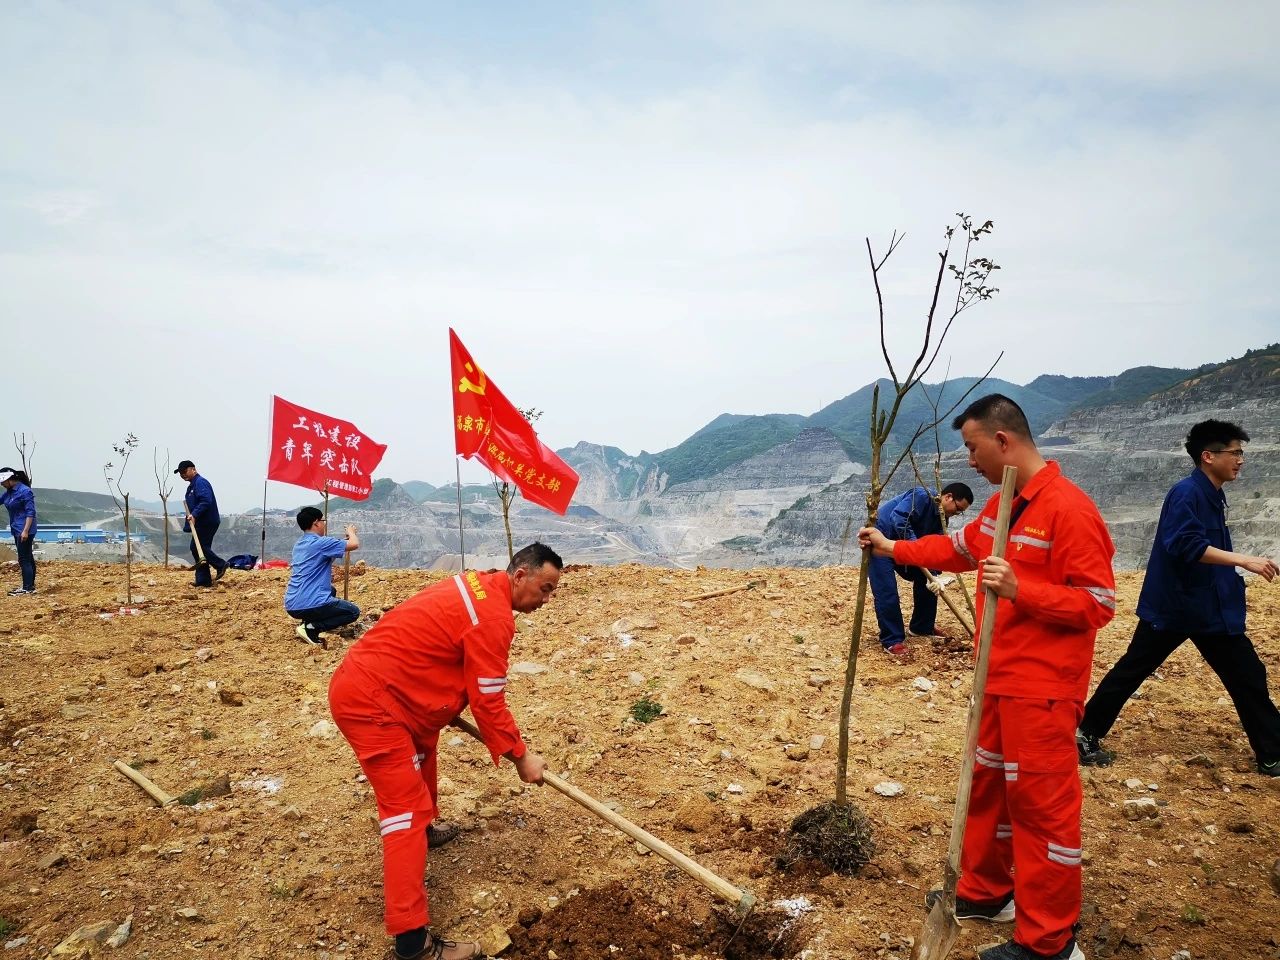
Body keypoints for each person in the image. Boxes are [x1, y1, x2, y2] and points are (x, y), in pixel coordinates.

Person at [860, 394, 1114, 960]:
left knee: (1041, 812)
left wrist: (1026, 590)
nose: (969, 461)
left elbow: (1098, 602)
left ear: (1003, 442)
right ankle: (985, 892)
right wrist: (891, 545)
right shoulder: (1006, 505)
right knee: (988, 794)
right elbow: (955, 549)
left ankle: (1048, 942)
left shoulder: (1069, 510)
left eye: (973, 447)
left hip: (1043, 690)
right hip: (995, 679)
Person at [328, 542, 562, 960]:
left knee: (424, 751)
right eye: (544, 589)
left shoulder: (480, 585)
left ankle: (426, 831)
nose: (546, 600)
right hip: (373, 702)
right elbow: (489, 700)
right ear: (520, 575)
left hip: (389, 687)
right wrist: (521, 757)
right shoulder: (493, 618)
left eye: (552, 592)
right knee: (404, 811)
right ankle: (413, 942)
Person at [1077, 419, 1280, 777]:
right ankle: (1085, 733)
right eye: (1234, 452)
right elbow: (1185, 544)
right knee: (1133, 669)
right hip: (1176, 607)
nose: (1241, 460)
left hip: (1208, 608)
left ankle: (1273, 752)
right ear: (1208, 456)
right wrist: (1243, 560)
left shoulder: (1212, 493)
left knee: (1248, 675)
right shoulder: (1187, 493)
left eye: (1241, 452)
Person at [868, 481, 973, 656]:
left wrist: (934, 575)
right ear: (948, 497)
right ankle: (892, 640)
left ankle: (922, 627)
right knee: (887, 591)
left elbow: (934, 545)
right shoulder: (921, 496)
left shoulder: (942, 518)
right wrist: (915, 548)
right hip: (880, 544)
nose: (957, 513)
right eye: (958, 508)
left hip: (902, 546)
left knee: (929, 579)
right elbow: (899, 519)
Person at [284, 507, 362, 645]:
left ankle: (308, 621)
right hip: (309, 603)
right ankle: (311, 628)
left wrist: (342, 541)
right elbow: (354, 544)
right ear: (316, 523)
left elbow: (324, 555)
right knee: (352, 612)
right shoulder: (321, 542)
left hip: (292, 604)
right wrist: (351, 532)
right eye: (323, 520)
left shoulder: (299, 544)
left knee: (330, 590)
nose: (324, 524)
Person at [175, 460, 228, 587]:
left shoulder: (200, 483)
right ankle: (203, 581)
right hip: (201, 523)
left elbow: (205, 501)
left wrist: (195, 514)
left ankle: (220, 564)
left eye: (184, 471)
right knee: (199, 550)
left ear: (193, 469)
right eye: (181, 473)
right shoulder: (192, 486)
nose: (183, 475)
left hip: (207, 521)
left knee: (198, 548)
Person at [0, 468, 38, 596]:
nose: (2, 484)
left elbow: (30, 512)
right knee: (28, 557)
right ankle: (30, 586)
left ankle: (27, 588)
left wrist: (26, 531)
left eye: (3, 481)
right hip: (16, 528)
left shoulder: (25, 491)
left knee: (24, 559)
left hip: (25, 529)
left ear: (10, 480)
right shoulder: (9, 492)